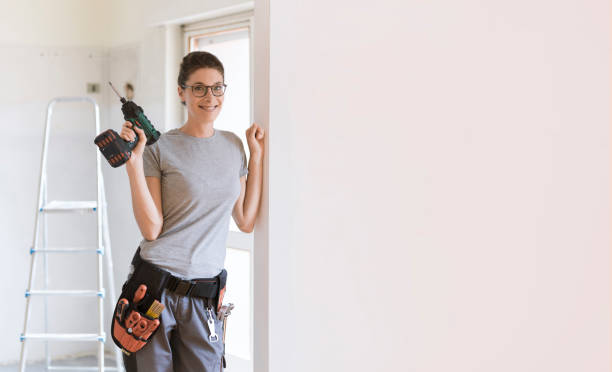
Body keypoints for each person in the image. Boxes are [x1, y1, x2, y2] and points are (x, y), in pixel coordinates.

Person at [118, 51, 264, 371]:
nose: (209, 97)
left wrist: (256, 155)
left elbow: (246, 219)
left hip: (204, 294)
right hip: (155, 290)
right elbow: (151, 229)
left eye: (217, 87)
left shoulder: (233, 146)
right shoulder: (160, 148)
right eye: (198, 88)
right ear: (181, 92)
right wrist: (133, 164)